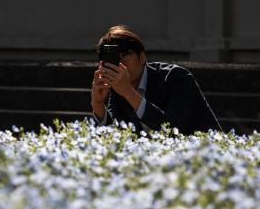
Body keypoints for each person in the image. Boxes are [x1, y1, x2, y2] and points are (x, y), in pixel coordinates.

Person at [91, 25, 222, 134]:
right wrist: (98, 106)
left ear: (142, 57)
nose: (120, 64)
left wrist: (129, 93)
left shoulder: (176, 78)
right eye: (113, 59)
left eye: (125, 55)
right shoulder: (118, 89)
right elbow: (118, 137)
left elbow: (172, 131)